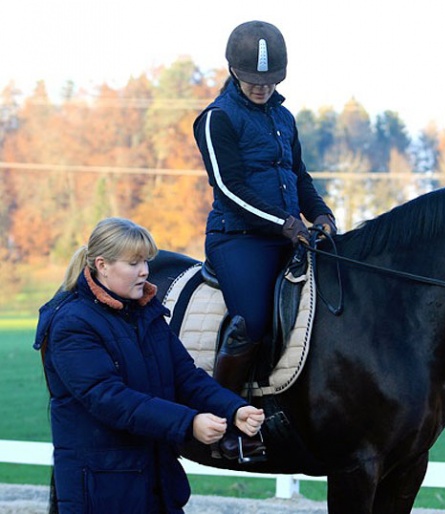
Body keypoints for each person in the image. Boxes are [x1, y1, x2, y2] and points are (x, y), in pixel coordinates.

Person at [34, 217, 265, 514]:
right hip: (102, 491)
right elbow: (111, 399)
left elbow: (186, 377)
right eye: (133, 263)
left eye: (145, 261)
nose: (144, 271)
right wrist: (189, 423)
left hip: (155, 482)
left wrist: (233, 409)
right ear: (102, 265)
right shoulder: (72, 324)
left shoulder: (146, 313)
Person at [193, 22, 336, 410]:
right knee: (252, 320)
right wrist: (286, 224)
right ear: (233, 72)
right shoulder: (216, 119)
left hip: (289, 234)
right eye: (253, 80)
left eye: (271, 80)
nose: (262, 87)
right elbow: (229, 188)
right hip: (238, 237)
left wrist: (320, 214)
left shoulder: (284, 118)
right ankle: (222, 414)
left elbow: (298, 176)